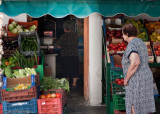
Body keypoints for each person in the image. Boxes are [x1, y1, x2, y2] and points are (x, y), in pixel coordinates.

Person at [121, 23, 156, 114]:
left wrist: (127, 77)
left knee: (133, 102)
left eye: (123, 34)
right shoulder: (141, 42)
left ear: (127, 34)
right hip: (146, 76)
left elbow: (136, 62)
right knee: (144, 104)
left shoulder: (131, 45)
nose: (122, 36)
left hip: (136, 79)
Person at [57, 20, 79, 88]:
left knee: (65, 70)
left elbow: (58, 46)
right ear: (72, 28)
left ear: (64, 28)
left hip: (65, 55)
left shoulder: (62, 36)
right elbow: (76, 43)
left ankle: (67, 84)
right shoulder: (76, 35)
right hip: (74, 55)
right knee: (74, 69)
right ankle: (74, 83)